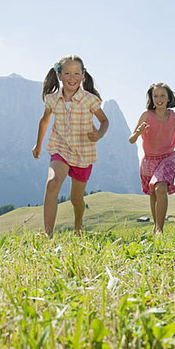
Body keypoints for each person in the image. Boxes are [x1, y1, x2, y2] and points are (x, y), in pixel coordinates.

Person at [32, 55, 109, 237]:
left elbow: (104, 121)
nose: (72, 77)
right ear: (59, 75)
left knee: (76, 199)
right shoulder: (52, 99)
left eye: (76, 73)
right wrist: (38, 144)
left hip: (83, 153)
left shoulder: (90, 100)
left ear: (82, 76)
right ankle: (48, 234)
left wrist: (98, 134)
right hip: (60, 148)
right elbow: (44, 121)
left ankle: (78, 225)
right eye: (67, 73)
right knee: (52, 184)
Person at [129, 82, 175, 234]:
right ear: (151, 98)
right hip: (149, 159)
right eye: (155, 96)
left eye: (163, 95)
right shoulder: (146, 116)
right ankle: (156, 225)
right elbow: (131, 139)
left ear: (169, 98)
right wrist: (138, 132)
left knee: (160, 188)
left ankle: (159, 230)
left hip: (168, 158)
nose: (159, 99)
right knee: (153, 194)